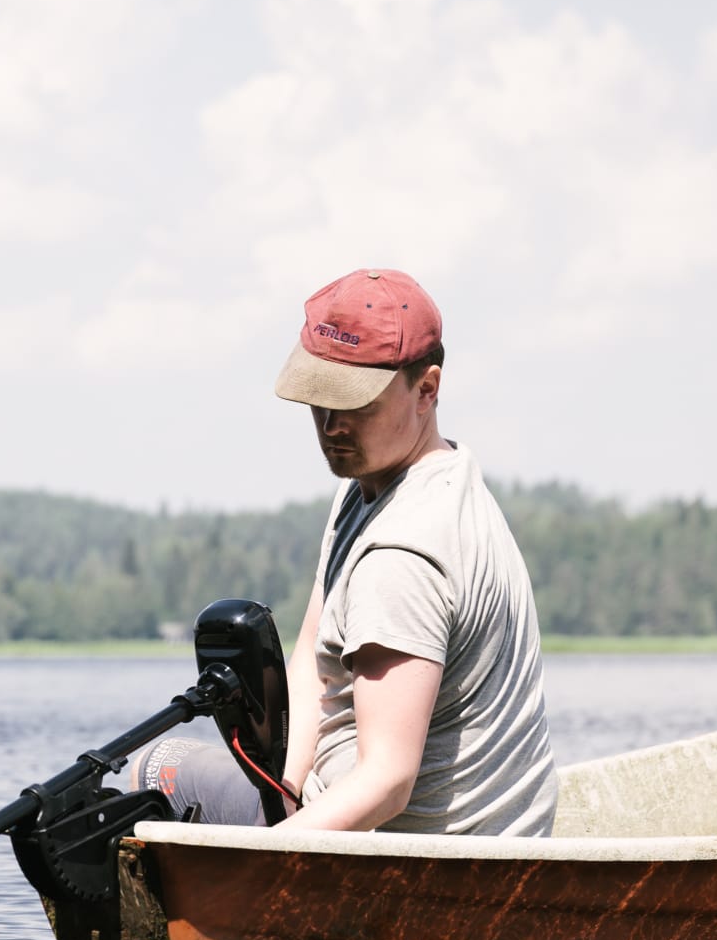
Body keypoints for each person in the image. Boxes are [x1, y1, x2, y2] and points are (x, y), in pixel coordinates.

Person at [132, 268, 557, 837]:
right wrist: (275, 797)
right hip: (389, 828)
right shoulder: (389, 480)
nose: (331, 426)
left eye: (355, 404)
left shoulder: (402, 554)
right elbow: (311, 662)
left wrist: (257, 859)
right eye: (318, 401)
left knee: (152, 772)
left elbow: (387, 781)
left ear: (427, 389)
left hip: (416, 862)